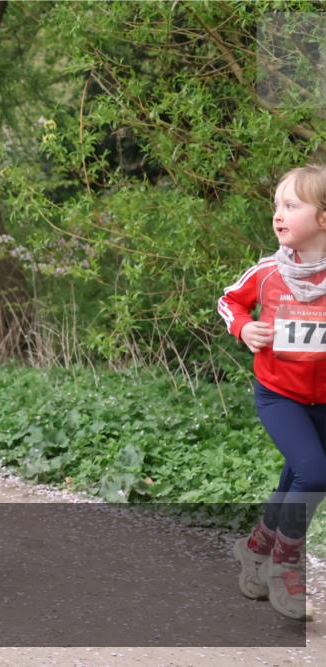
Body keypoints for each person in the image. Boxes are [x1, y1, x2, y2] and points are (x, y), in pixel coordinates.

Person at [219, 164, 326, 621]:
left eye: (291, 206)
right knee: (316, 474)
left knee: (295, 478)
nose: (278, 215)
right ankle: (285, 565)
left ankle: (255, 550)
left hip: (322, 401)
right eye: (276, 207)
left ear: (323, 218)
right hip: (278, 394)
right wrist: (244, 329)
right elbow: (229, 300)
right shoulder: (267, 271)